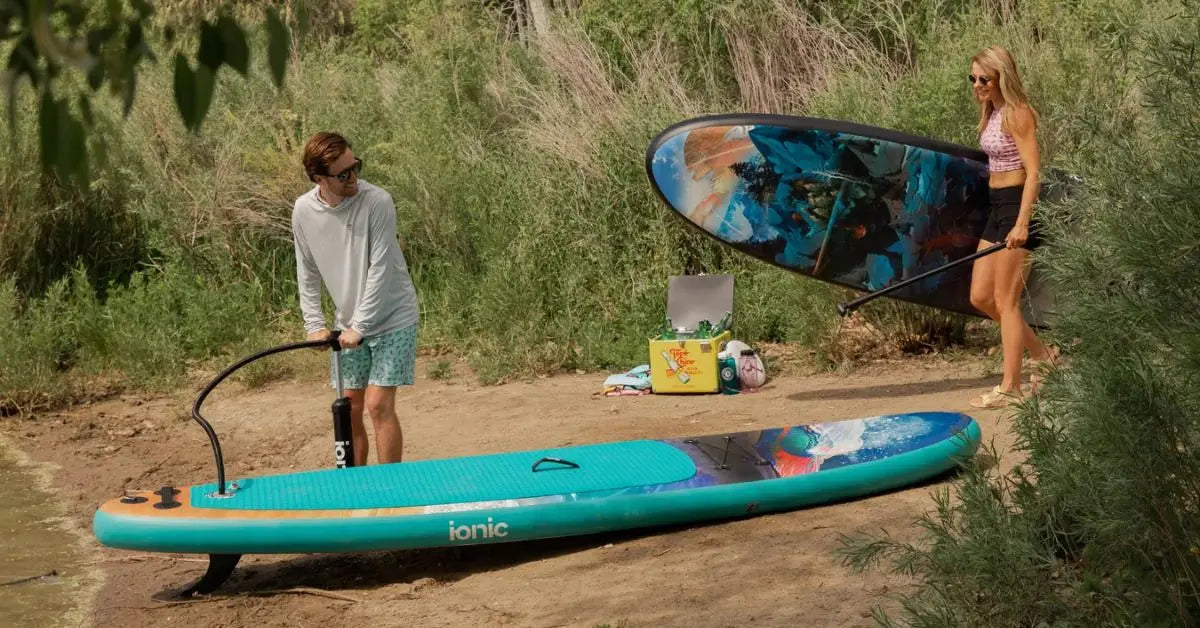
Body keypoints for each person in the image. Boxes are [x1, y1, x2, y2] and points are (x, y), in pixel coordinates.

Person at [293, 132, 420, 464]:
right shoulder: (304, 211)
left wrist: (360, 327)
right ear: (319, 178)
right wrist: (314, 326)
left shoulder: (377, 201)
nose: (355, 178)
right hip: (348, 323)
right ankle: (356, 488)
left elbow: (380, 269)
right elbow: (306, 270)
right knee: (349, 408)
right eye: (344, 174)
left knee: (378, 405)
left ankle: (390, 490)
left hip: (393, 317)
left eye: (355, 166)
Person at [966, 46, 1057, 409]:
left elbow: (1034, 171)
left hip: (1018, 208)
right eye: (972, 79)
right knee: (981, 297)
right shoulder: (992, 112)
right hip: (996, 208)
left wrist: (1022, 222)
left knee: (1006, 301)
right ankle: (1046, 357)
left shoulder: (1018, 113)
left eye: (984, 79)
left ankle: (1010, 386)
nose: (977, 85)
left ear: (1002, 75)